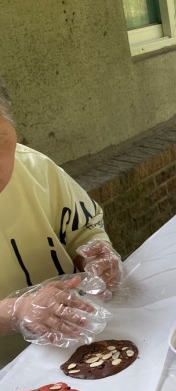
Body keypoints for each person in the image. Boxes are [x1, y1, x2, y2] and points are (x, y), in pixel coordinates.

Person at [0, 77, 123, 365]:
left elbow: (84, 229)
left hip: (82, 340)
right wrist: (14, 311)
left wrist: (96, 255)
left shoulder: (37, 169)